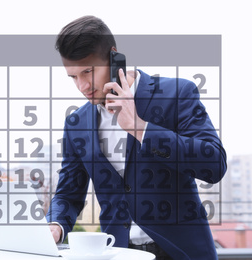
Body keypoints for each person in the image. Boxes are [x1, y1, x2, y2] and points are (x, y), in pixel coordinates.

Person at [46, 15, 227, 260]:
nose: (82, 86)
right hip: (116, 252)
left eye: (88, 71)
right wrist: (55, 225)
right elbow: (68, 194)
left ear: (113, 57)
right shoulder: (76, 123)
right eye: (73, 77)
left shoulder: (176, 94)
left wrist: (140, 128)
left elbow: (214, 164)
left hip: (181, 252)